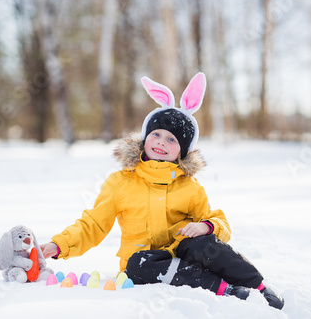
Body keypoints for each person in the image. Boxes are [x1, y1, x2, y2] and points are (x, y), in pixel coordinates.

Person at [41, 73, 284, 309]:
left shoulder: (189, 186)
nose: (160, 142)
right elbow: (93, 224)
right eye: (156, 134)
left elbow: (219, 223)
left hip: (184, 254)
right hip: (145, 263)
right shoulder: (120, 182)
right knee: (138, 264)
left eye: (171, 140)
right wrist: (58, 245)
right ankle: (223, 289)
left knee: (206, 245)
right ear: (145, 138)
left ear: (183, 151)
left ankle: (258, 286)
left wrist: (205, 226)